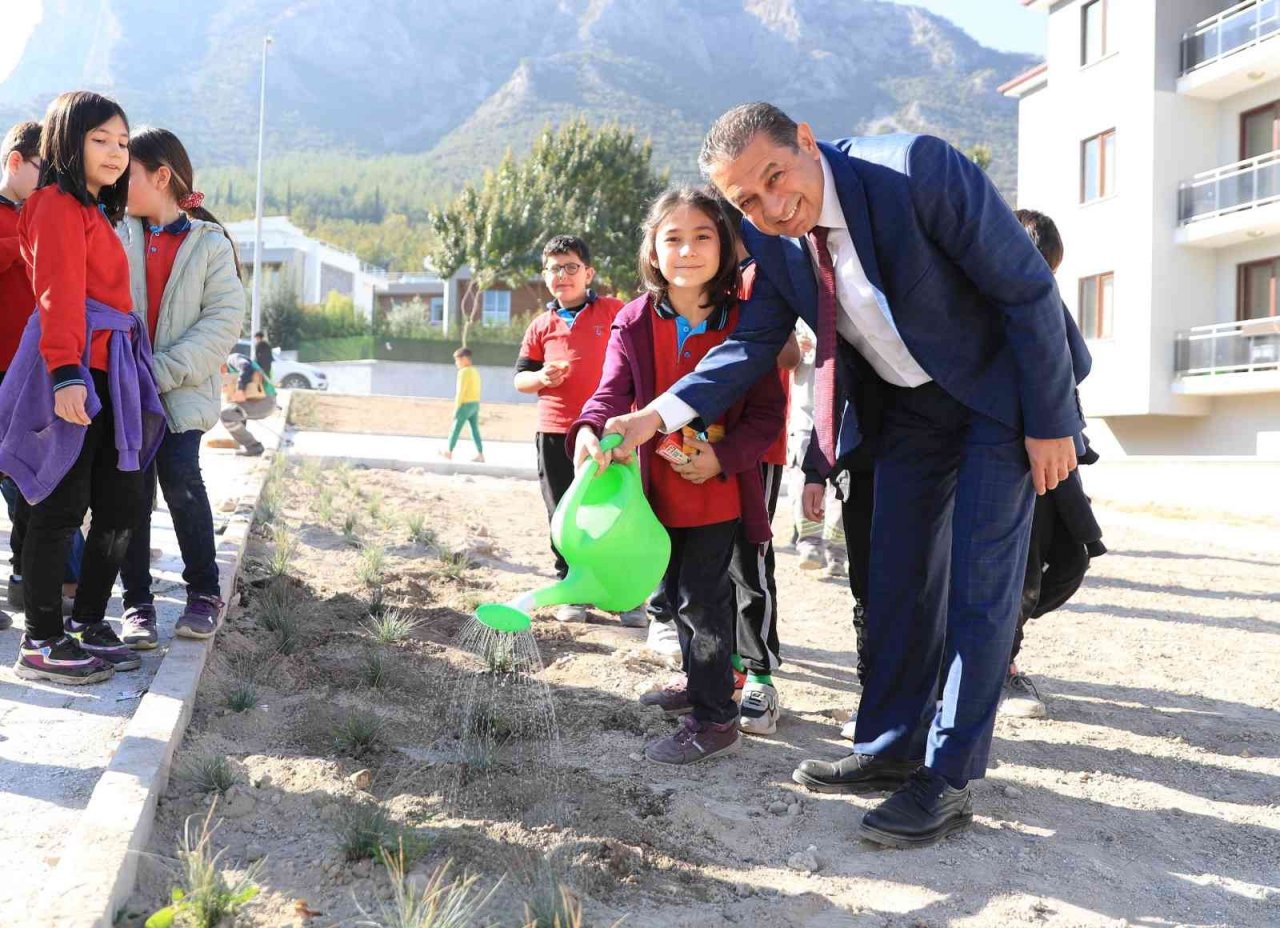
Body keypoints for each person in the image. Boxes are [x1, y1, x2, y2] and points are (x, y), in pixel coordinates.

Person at [600, 104, 1089, 844]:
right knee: (895, 578)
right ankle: (892, 748)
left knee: (979, 588)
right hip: (909, 409)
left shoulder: (917, 170)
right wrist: (653, 417)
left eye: (775, 178)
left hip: (1001, 400)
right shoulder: (772, 239)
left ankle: (949, 778)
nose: (770, 207)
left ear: (806, 141)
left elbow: (1027, 289)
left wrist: (1051, 420)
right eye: (746, 200)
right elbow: (750, 345)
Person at [572, 186, 785, 766]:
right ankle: (699, 683)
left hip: (717, 493)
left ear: (726, 246)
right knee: (672, 594)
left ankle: (716, 720)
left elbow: (767, 415)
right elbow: (610, 393)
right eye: (673, 238)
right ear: (652, 249)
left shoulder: (746, 323)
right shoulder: (634, 320)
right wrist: (589, 429)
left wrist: (723, 457)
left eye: (702, 237)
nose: (687, 250)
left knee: (703, 599)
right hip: (653, 494)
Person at [0, 91, 165, 685]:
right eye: (100, 140)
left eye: (122, 142)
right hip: (75, 369)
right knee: (60, 504)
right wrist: (67, 373)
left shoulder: (95, 210)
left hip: (113, 367)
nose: (116, 152)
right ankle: (42, 639)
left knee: (123, 502)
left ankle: (90, 622)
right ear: (68, 141)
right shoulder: (54, 204)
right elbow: (58, 293)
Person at [115, 127, 245, 648]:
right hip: (124, 391)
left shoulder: (210, 244)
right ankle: (137, 604)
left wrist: (159, 370)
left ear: (161, 177)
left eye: (129, 174)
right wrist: (127, 373)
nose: (118, 183)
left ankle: (204, 594)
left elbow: (222, 322)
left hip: (181, 391)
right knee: (129, 494)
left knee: (181, 479)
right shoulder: (116, 232)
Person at [999, 209, 1107, 719]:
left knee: (1068, 561)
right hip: (998, 457)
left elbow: (1074, 369)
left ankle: (992, 646)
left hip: (1052, 460)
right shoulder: (981, 301)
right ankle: (999, 666)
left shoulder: (1045, 305)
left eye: (1049, 272)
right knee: (1012, 573)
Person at [514, 235, 635, 625]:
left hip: (608, 431)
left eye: (571, 267)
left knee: (614, 513)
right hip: (554, 433)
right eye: (554, 268)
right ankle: (573, 589)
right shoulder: (540, 326)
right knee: (563, 514)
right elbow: (520, 379)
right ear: (544, 275)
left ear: (589, 273)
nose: (562, 276)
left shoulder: (615, 311)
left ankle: (625, 596)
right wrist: (541, 377)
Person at [0, 119, 87, 627]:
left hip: (31, 370)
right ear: (16, 162)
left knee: (34, 481)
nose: (52, 181)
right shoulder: (27, 219)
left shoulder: (50, 213)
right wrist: (29, 240)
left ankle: (28, 580)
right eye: (43, 169)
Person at [220, 352, 276, 456]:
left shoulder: (233, 359)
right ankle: (246, 445)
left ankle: (254, 447)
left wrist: (240, 389)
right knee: (233, 411)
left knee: (226, 415)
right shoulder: (230, 371)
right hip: (262, 402)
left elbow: (246, 367)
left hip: (265, 402)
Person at [440, 347, 483, 461]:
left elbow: (460, 392)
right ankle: (480, 454)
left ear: (464, 359)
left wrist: (456, 408)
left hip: (465, 405)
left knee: (455, 428)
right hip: (475, 404)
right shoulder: (475, 371)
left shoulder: (463, 372)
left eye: (457, 360)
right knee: (474, 430)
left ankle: (449, 451)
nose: (456, 363)